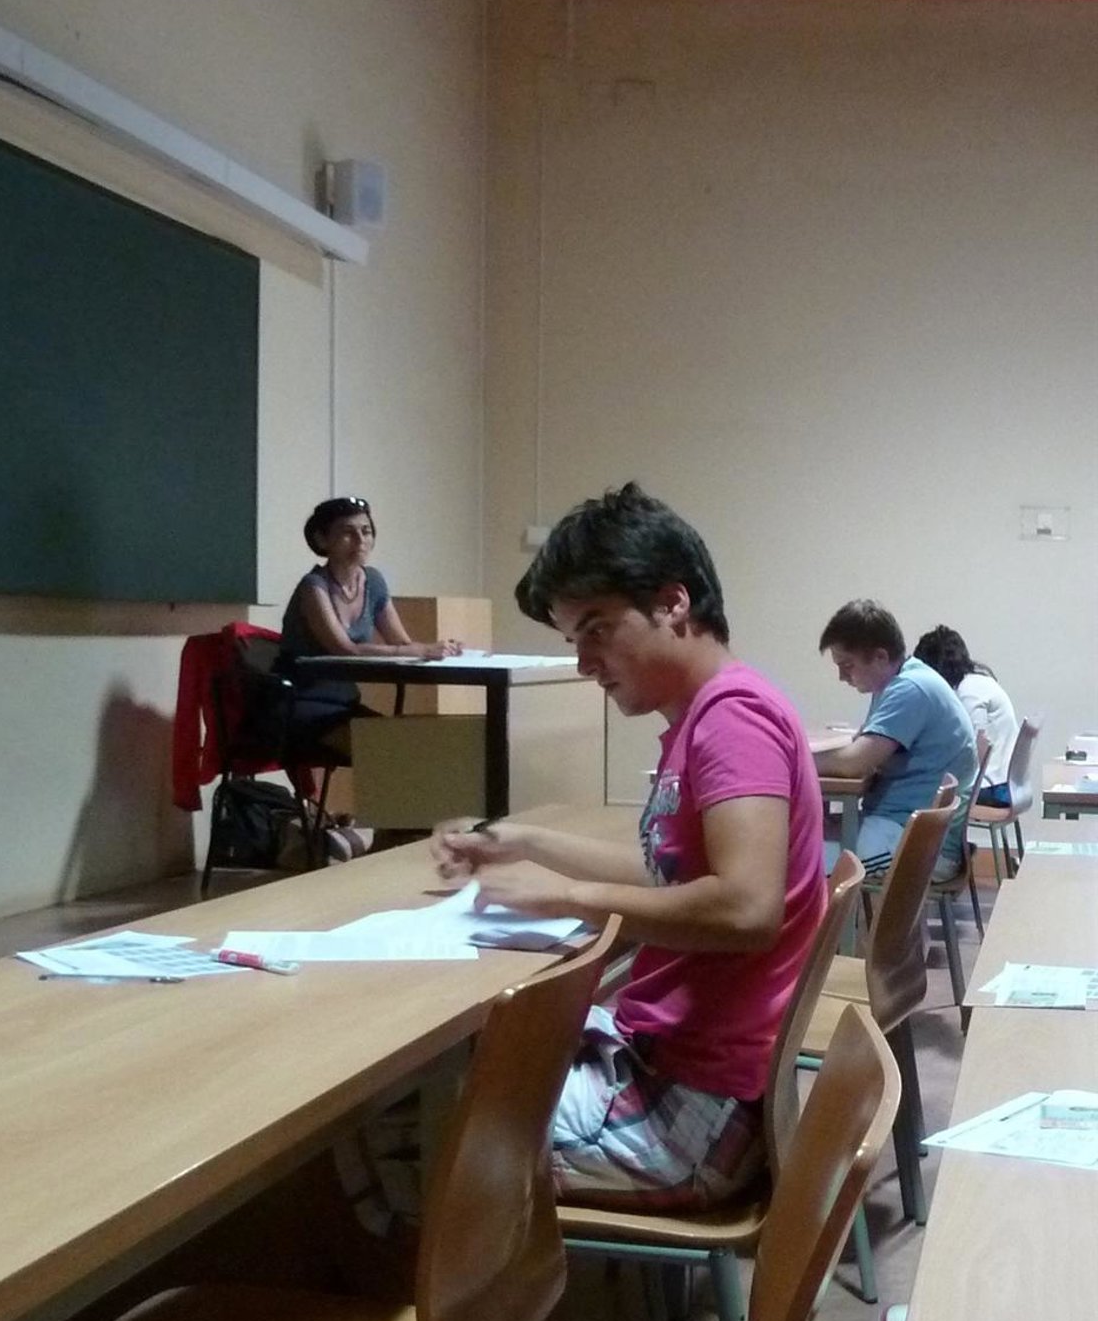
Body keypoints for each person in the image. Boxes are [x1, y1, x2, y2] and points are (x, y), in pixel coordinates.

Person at [431, 482, 827, 1213]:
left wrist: (566, 897)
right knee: (481, 1052)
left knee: (429, 1129)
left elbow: (746, 909)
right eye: (572, 640)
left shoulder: (732, 721)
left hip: (691, 1111)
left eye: (597, 630)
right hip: (681, 1072)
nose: (586, 663)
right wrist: (527, 843)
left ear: (673, 603)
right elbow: (668, 874)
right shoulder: (707, 714)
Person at [274, 495, 460, 752]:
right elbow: (345, 649)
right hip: (301, 701)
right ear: (322, 539)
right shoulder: (313, 586)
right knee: (390, 749)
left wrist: (440, 650)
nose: (360, 540)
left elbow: (401, 643)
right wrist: (422, 649)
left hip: (343, 701)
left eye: (366, 531)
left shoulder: (373, 580)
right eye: (347, 533)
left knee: (420, 745)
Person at [814, 601, 978, 881]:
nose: (842, 677)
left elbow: (855, 763)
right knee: (799, 838)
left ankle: (836, 912)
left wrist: (788, 758)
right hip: (904, 828)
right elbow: (862, 747)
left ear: (880, 656)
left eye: (847, 665)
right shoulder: (900, 682)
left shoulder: (910, 689)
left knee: (793, 859)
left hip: (915, 845)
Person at [912, 625, 1019, 807]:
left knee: (913, 793)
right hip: (1004, 784)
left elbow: (970, 749)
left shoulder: (968, 693)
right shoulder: (979, 682)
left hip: (990, 787)